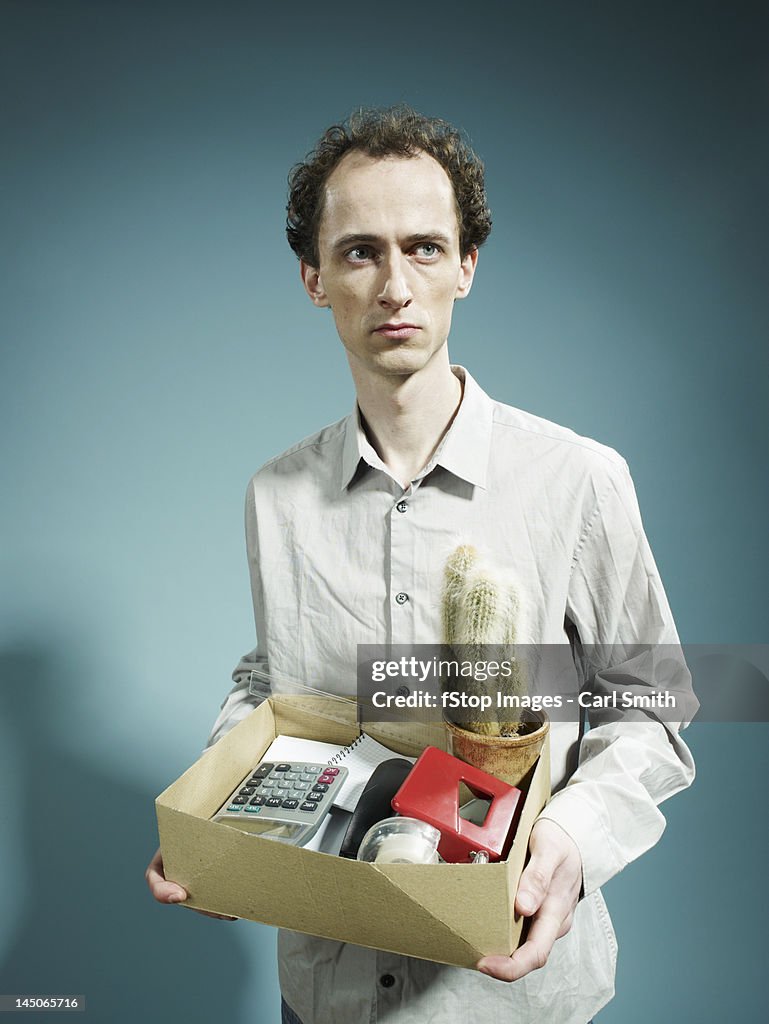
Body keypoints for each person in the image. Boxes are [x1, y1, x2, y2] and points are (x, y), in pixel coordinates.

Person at [146, 105, 696, 1024]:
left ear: (466, 268)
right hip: (327, 990)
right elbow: (272, 681)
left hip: (507, 993)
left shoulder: (577, 480)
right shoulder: (275, 494)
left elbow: (650, 708)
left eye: (425, 249)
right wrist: (215, 806)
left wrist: (567, 835)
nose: (395, 285)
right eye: (359, 251)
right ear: (314, 278)